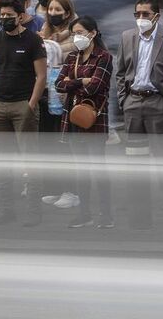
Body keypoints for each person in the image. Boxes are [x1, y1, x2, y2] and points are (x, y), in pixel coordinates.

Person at [0, 0, 47, 227]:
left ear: (20, 16)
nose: (5, 18)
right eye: (3, 14)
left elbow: (41, 76)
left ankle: (33, 212)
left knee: (30, 161)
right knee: (3, 162)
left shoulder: (32, 41)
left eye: (10, 15)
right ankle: (7, 211)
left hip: (22, 105)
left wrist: (31, 104)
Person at [116, 0, 163, 219]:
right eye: (138, 14)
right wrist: (123, 99)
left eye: (146, 14)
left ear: (157, 16)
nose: (141, 18)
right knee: (134, 153)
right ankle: (137, 196)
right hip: (133, 101)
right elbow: (121, 72)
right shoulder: (127, 37)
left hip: (157, 100)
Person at [55, 16, 113, 228]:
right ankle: (85, 213)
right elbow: (58, 84)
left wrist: (73, 83)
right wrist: (81, 81)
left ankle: (106, 215)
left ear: (93, 33)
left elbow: (95, 87)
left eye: (80, 32)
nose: (77, 37)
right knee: (81, 170)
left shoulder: (104, 57)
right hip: (73, 118)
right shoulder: (72, 57)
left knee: (98, 169)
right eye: (74, 33)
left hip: (94, 119)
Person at [38, 0, 80, 208]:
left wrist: (51, 47)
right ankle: (53, 188)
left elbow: (68, 55)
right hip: (46, 95)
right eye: (51, 9)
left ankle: (71, 191)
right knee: (49, 145)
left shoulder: (75, 35)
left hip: (65, 97)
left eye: (58, 10)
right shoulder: (44, 32)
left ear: (68, 13)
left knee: (66, 145)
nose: (53, 13)